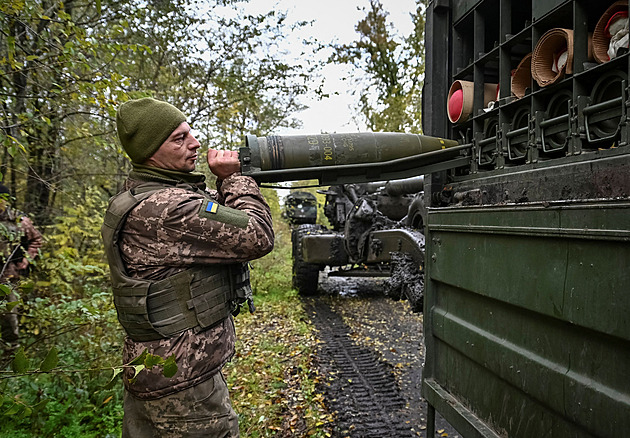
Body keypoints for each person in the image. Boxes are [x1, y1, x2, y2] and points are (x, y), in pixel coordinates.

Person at [102, 97, 274, 437]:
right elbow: (256, 235)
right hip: (185, 389)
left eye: (189, 133)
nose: (194, 143)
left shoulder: (139, 194)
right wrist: (236, 179)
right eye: (179, 138)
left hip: (153, 371)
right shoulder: (169, 208)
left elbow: (218, 223)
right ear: (151, 151)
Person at [0, 184, 43, 348]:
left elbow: (36, 240)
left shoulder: (19, 221)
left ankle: (10, 354)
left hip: (9, 274)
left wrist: (27, 259)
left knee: (9, 315)